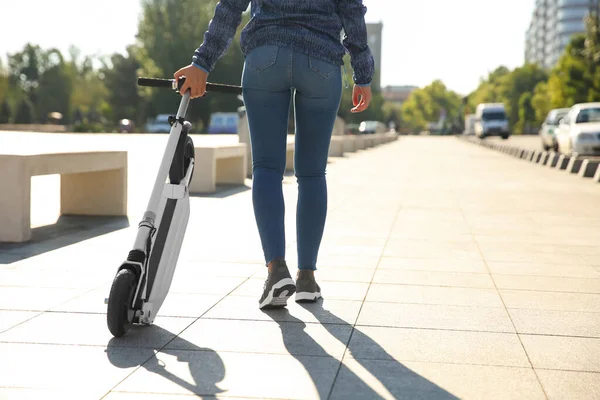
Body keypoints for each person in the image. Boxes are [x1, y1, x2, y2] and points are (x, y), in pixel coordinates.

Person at [174, 0, 374, 309]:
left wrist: (202, 63)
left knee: (266, 167)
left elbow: (230, 7)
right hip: (321, 62)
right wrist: (362, 74)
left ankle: (276, 270)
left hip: (265, 57)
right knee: (311, 174)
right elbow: (351, 10)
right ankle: (307, 278)